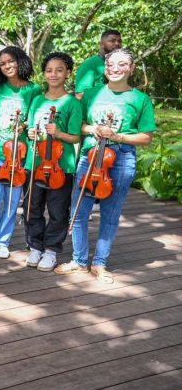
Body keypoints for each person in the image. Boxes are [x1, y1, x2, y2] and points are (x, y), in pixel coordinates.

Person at [56, 48, 155, 283]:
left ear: (131, 68)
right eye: (111, 64)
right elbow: (77, 125)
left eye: (122, 64)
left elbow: (146, 137)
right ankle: (80, 261)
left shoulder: (140, 99)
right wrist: (93, 129)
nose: (116, 68)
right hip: (90, 157)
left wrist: (117, 136)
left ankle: (99, 263)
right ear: (105, 68)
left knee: (111, 213)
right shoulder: (90, 94)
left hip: (121, 158)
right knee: (79, 212)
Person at [0, 46, 41, 259]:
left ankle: (3, 241)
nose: (7, 66)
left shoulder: (33, 90)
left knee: (13, 200)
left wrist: (27, 127)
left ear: (20, 61)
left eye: (10, 61)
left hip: (19, 155)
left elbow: (35, 119)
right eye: (2, 64)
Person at [24, 52, 82, 271]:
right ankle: (35, 246)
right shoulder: (38, 99)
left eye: (59, 70)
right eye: (49, 70)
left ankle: (51, 250)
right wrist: (31, 133)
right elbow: (31, 127)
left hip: (60, 165)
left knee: (58, 210)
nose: (54, 74)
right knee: (33, 207)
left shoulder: (72, 103)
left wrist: (57, 133)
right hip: (35, 162)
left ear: (67, 73)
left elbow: (76, 136)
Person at [74, 30, 122, 99]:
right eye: (112, 41)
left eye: (119, 41)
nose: (117, 44)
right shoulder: (90, 65)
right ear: (101, 44)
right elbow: (80, 95)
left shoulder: (122, 65)